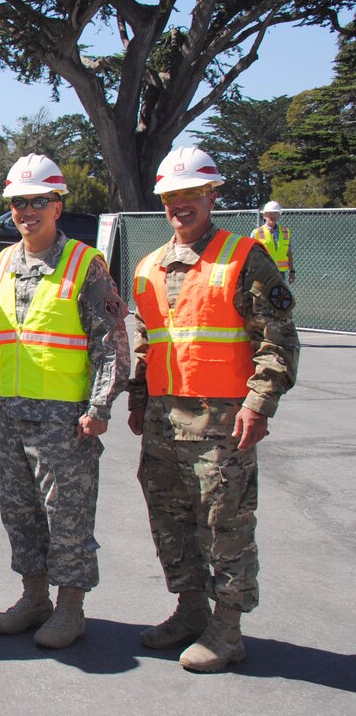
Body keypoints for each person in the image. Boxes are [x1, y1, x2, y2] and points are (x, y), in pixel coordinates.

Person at [128, 146, 299, 672]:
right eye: (171, 195)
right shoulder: (150, 266)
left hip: (222, 424)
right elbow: (147, 342)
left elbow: (278, 339)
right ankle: (189, 610)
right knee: (171, 522)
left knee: (224, 524)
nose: (181, 204)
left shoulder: (244, 256)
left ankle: (227, 630)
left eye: (191, 193)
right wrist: (138, 400)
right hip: (162, 422)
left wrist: (260, 403)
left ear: (211, 195)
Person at [0, 155, 130, 649]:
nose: (27, 211)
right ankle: (34, 596)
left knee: (66, 516)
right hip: (12, 416)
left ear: (57, 205)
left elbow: (112, 342)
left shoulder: (85, 265)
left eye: (38, 201)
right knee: (19, 513)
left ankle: (70, 608)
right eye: (19, 203)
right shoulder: (1, 263)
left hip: (66, 421)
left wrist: (99, 406)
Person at [251, 201, 295, 284]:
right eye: (269, 214)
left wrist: (292, 271)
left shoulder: (285, 232)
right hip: (263, 273)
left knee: (278, 296)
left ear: (279, 216)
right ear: (264, 215)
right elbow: (251, 255)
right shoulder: (257, 233)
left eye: (275, 214)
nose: (272, 216)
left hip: (280, 273)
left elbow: (289, 253)